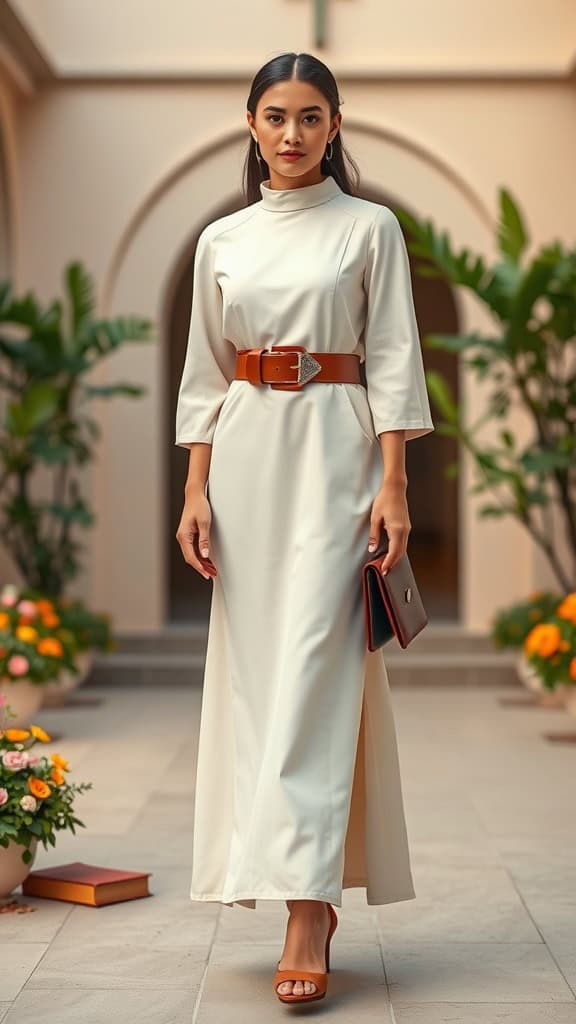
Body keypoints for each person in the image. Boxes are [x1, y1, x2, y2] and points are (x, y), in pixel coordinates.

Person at [175, 51, 434, 1006]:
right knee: (255, 681)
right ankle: (288, 881)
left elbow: (397, 359)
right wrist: (195, 491)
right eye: (276, 116)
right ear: (251, 125)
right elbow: (205, 375)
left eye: (311, 117)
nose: (292, 134)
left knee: (321, 673)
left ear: (335, 126)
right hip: (244, 465)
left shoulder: (371, 228)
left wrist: (394, 485)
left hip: (338, 457)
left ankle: (307, 905)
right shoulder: (222, 241)